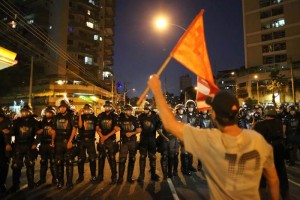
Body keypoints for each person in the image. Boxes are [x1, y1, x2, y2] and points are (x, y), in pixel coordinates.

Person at [147, 74, 279, 200]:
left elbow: (170, 125)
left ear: (214, 115)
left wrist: (157, 90)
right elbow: (273, 180)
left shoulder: (210, 139)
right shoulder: (258, 139)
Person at [254, 106, 289, 199]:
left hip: (266, 152)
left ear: (265, 113)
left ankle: (261, 195)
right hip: (279, 151)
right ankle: (285, 195)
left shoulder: (259, 125)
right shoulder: (279, 123)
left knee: (262, 176)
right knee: (281, 175)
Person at [8, 105, 41, 192]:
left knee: (30, 164)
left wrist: (35, 143)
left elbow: (39, 133)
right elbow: (11, 132)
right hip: (18, 145)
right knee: (16, 166)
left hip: (29, 145)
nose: (24, 113)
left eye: (25, 112)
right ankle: (15, 185)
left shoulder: (34, 122)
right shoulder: (16, 121)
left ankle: (31, 183)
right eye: (23, 112)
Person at [53, 100, 77, 190]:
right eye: (60, 107)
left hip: (67, 141)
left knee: (69, 162)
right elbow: (54, 130)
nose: (61, 109)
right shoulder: (56, 117)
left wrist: (70, 141)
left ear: (66, 107)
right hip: (58, 142)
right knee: (59, 162)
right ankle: (60, 181)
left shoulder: (71, 116)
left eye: (63, 107)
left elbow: (74, 129)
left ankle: (69, 182)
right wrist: (52, 141)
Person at [116, 104, 141, 184]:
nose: (129, 112)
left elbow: (139, 129)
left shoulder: (134, 118)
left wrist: (132, 133)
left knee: (132, 159)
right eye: (127, 110)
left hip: (133, 142)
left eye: (130, 110)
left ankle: (129, 178)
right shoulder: (120, 118)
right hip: (124, 142)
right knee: (122, 160)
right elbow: (116, 127)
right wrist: (117, 128)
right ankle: (120, 178)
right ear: (125, 111)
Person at [137, 102, 161, 182]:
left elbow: (159, 125)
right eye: (145, 109)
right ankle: (141, 175)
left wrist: (160, 128)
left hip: (152, 139)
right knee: (142, 157)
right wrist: (138, 127)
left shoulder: (155, 116)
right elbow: (138, 125)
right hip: (143, 139)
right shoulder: (141, 116)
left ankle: (153, 174)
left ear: (150, 109)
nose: (145, 110)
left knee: (152, 157)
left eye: (146, 109)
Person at [96, 101, 118, 184]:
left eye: (109, 106)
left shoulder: (115, 116)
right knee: (101, 157)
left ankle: (114, 176)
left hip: (111, 139)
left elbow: (116, 129)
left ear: (111, 107)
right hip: (102, 138)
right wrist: (102, 136)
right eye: (106, 106)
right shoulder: (100, 115)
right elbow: (97, 128)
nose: (107, 108)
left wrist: (106, 136)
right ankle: (100, 176)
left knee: (112, 158)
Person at [35, 106, 57, 187]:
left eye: (49, 113)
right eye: (47, 113)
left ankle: (55, 178)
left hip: (52, 144)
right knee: (43, 162)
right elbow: (37, 132)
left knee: (53, 162)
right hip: (43, 144)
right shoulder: (41, 122)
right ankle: (42, 179)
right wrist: (38, 133)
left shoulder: (55, 122)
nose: (48, 114)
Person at [76, 104, 98, 184]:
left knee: (92, 159)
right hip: (81, 140)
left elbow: (97, 128)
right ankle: (80, 176)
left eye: (88, 109)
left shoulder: (94, 118)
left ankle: (93, 176)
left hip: (91, 140)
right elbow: (80, 126)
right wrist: (79, 115)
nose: (87, 111)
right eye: (85, 109)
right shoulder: (81, 117)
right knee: (81, 159)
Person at [0, 110, 11, 195]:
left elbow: (11, 132)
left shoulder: (7, 121)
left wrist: (8, 144)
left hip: (4, 148)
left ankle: (2, 184)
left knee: (4, 166)